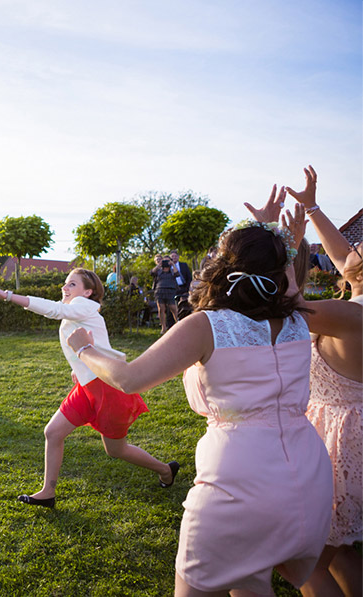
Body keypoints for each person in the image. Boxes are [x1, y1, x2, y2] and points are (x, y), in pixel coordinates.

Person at [67, 204, 333, 595]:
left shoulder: (208, 325)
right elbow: (289, 282)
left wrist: (85, 350)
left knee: (195, 586)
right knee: (250, 582)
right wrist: (279, 237)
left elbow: (128, 379)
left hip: (239, 477)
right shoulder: (298, 317)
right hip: (308, 471)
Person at [0, 269, 178, 509]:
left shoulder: (84, 305)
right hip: (87, 386)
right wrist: (79, 369)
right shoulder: (77, 312)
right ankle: (47, 493)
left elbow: (54, 309)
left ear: (88, 291)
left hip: (107, 388)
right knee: (53, 433)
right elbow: (88, 344)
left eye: (72, 284)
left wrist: (9, 296)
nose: (65, 288)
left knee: (116, 450)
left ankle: (166, 470)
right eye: (65, 283)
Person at [274, 166, 362, 597]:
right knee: (343, 554)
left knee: (301, 564)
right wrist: (311, 208)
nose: (354, 246)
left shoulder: (351, 315)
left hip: (341, 446)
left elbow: (287, 299)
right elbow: (342, 251)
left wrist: (285, 243)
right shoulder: (356, 307)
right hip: (352, 432)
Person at [152, 258, 179, 334]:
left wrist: (173, 264)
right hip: (160, 290)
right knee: (161, 309)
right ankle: (163, 327)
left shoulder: (172, 271)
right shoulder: (159, 271)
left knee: (173, 308)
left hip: (170, 290)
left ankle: (178, 324)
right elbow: (152, 272)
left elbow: (177, 274)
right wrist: (159, 265)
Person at [170, 251, 193, 318]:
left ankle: (184, 316)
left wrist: (187, 288)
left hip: (183, 287)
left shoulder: (183, 265)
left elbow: (189, 277)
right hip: (173, 287)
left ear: (178, 257)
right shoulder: (169, 267)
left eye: (175, 256)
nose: (174, 258)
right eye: (172, 256)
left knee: (184, 303)